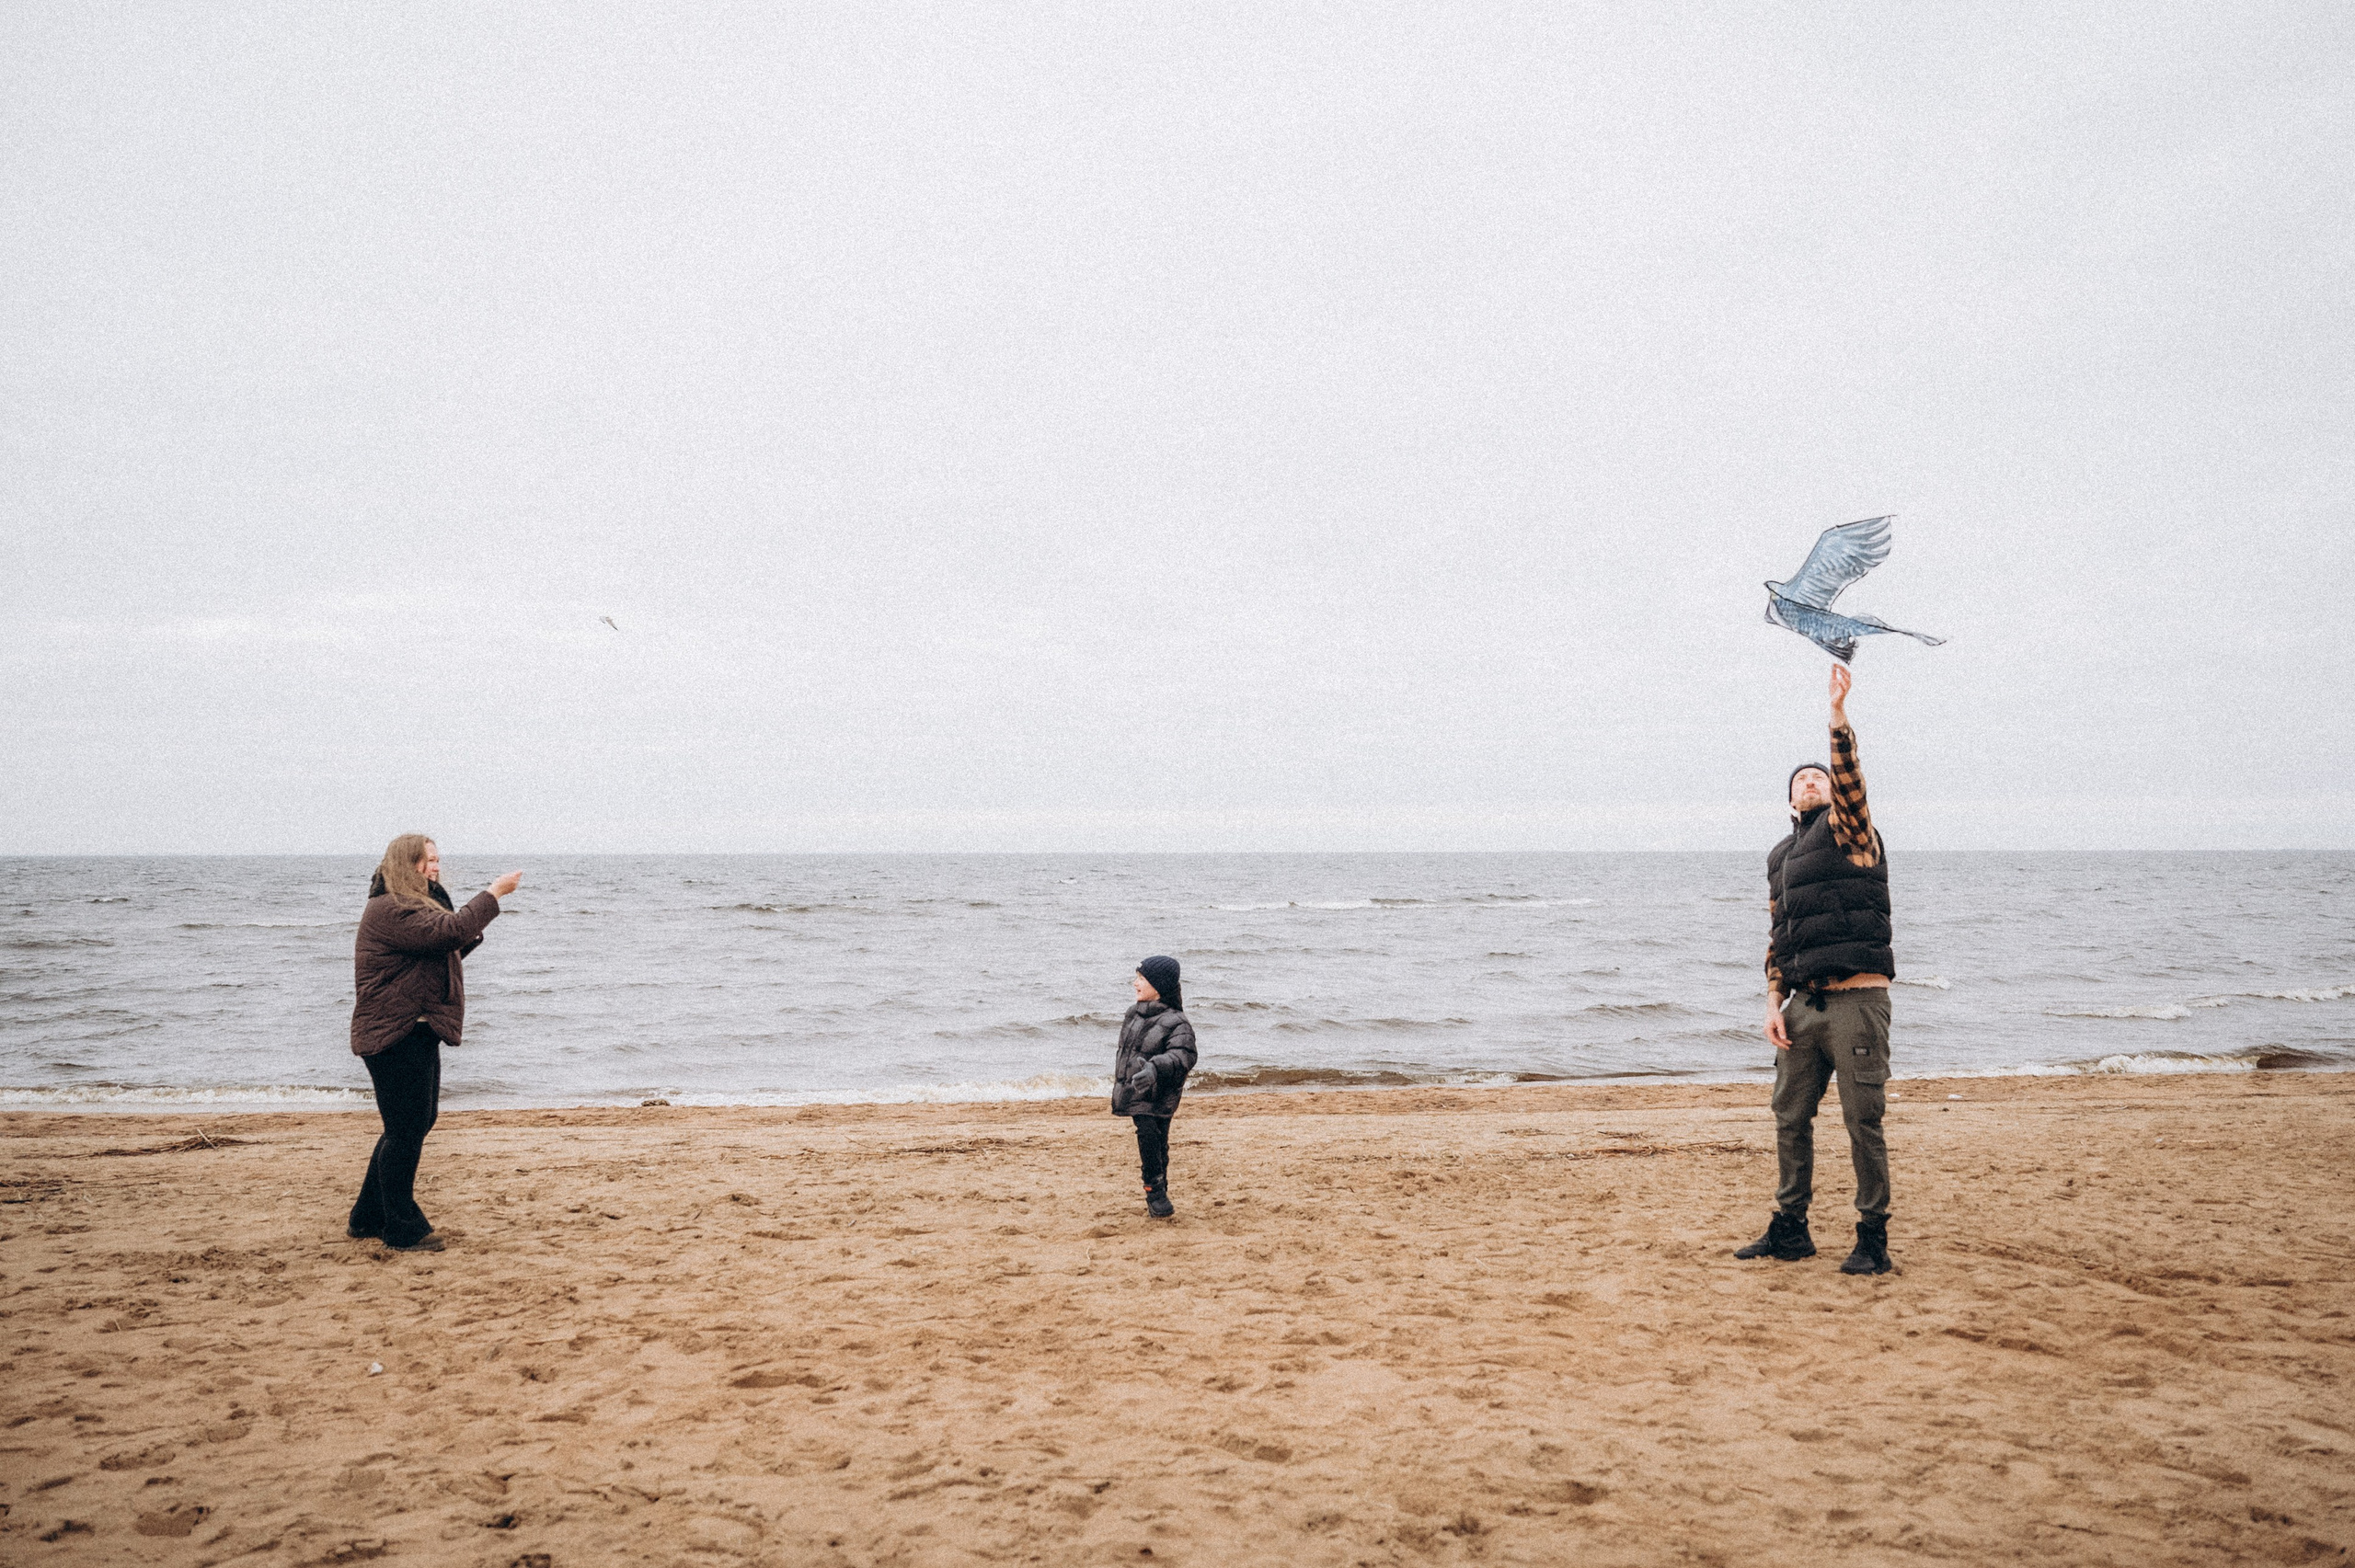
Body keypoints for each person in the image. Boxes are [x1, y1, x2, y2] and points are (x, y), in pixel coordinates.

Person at [1736, 663, 1896, 1276]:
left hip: (1858, 999)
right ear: (1788, 800)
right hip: (1802, 1005)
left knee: (1863, 1121)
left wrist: (1837, 715)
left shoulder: (1851, 831)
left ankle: (1872, 1236)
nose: (1812, 782)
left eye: (1819, 778)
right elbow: (1779, 936)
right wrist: (1773, 1003)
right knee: (1789, 1116)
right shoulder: (1780, 856)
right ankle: (1791, 1227)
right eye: (1802, 780)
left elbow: (1850, 779)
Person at [347, 833, 521, 1253]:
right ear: (406, 864)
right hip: (394, 1032)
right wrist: (494, 893)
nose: (436, 866)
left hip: (415, 1029)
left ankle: (367, 1216)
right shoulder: (390, 907)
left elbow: (444, 944)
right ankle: (401, 1227)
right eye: (427, 860)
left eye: (438, 859)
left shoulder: (411, 904)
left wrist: (456, 922)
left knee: (415, 1123)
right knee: (405, 1130)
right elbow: (451, 931)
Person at [1111, 956, 1198, 1219]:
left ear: (1158, 986)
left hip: (1162, 1091)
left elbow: (1183, 1055)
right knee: (1147, 1134)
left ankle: (1159, 1189)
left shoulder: (1178, 1022)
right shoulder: (1133, 1014)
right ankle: (1155, 1191)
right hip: (1137, 1091)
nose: (1135, 983)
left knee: (1159, 1141)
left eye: (1141, 979)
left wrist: (1154, 1068)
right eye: (1136, 977)